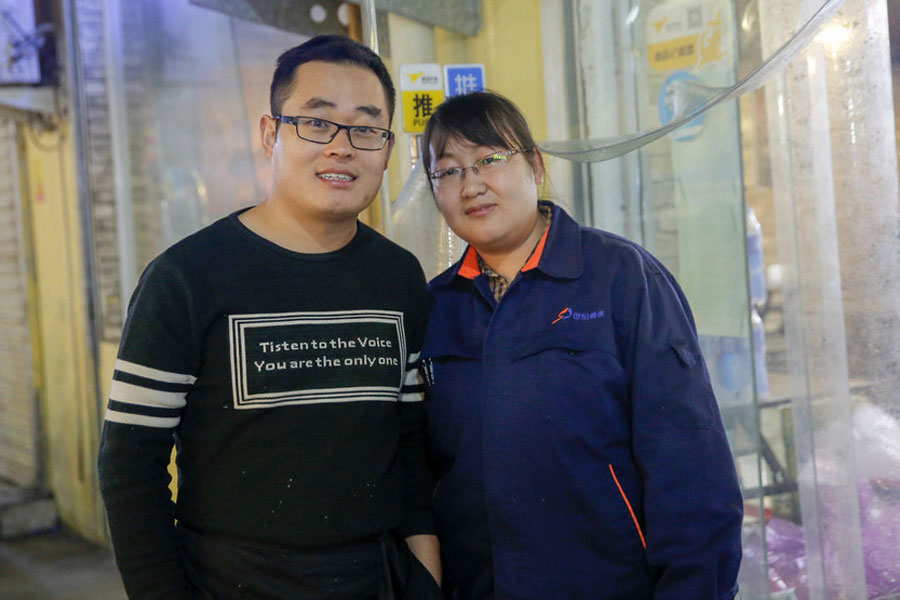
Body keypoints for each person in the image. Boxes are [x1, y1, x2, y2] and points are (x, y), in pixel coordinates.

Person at [97, 35, 441, 600]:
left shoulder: (397, 277)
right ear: (269, 134)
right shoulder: (186, 278)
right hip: (231, 579)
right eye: (317, 122)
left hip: (376, 577)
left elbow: (409, 443)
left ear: (386, 145)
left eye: (366, 128)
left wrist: (425, 576)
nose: (341, 147)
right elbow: (130, 466)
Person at [419, 91, 743, 600]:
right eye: (449, 171)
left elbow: (691, 470)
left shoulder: (621, 278)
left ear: (535, 166)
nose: (472, 185)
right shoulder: (435, 307)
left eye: (489, 160)